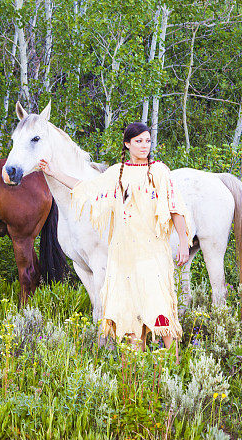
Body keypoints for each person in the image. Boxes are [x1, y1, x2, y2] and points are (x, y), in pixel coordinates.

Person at [38, 122, 190, 355]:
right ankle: (136, 367)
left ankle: (174, 362)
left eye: (147, 141)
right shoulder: (117, 173)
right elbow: (86, 187)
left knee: (160, 305)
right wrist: (53, 172)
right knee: (129, 308)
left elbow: (175, 208)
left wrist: (182, 241)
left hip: (153, 250)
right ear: (127, 144)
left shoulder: (160, 171)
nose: (144, 146)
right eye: (138, 141)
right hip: (123, 251)